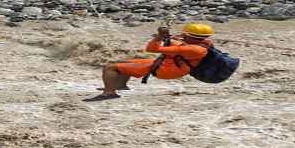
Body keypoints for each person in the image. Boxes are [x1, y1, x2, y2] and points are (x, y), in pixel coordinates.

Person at [84, 23, 217, 102]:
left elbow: (151, 48)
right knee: (123, 62)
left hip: (166, 70)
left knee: (110, 67)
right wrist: (169, 37)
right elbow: (179, 43)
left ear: (190, 36)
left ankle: (109, 93)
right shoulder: (203, 43)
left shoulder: (188, 48)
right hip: (174, 65)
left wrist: (159, 37)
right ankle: (119, 85)